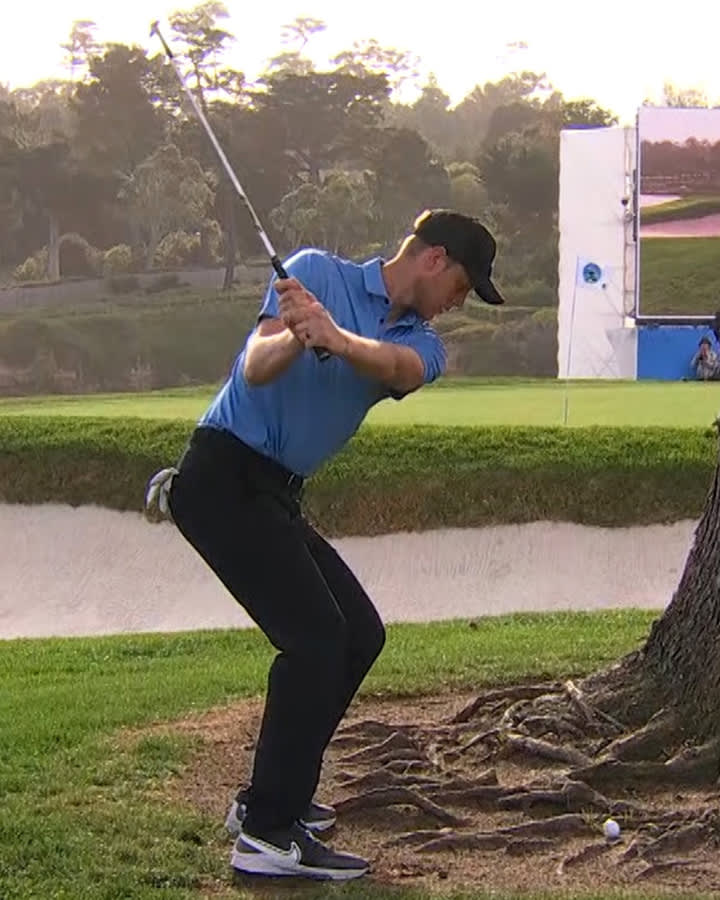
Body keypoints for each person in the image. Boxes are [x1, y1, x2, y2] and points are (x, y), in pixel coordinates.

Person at [146, 209, 504, 881]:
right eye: (462, 286)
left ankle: (271, 796)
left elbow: (397, 368)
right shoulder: (312, 272)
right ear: (434, 259)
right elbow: (255, 367)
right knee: (314, 640)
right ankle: (267, 833)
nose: (458, 303)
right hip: (221, 477)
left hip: (276, 494)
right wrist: (295, 335)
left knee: (359, 635)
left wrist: (335, 337)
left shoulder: (422, 344)